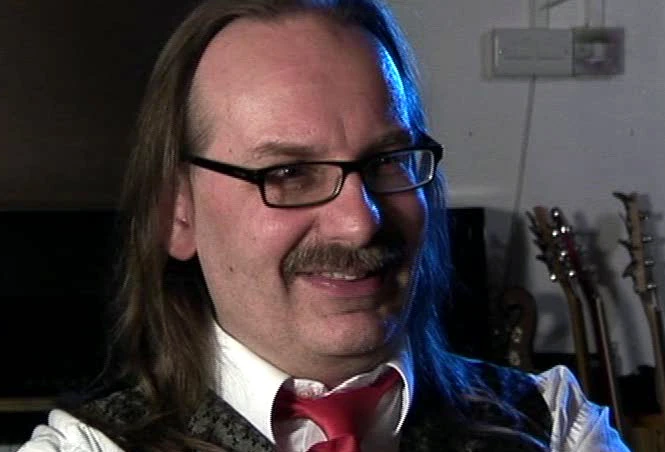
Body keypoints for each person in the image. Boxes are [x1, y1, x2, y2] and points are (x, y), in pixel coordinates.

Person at [19, 0, 628, 451]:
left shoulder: (555, 427)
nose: (358, 224)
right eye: (288, 172)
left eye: (387, 160)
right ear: (178, 213)